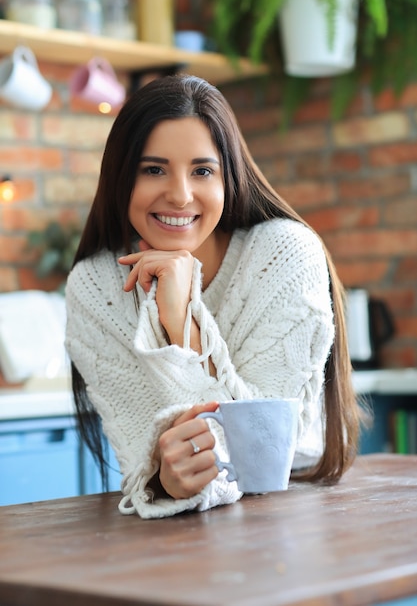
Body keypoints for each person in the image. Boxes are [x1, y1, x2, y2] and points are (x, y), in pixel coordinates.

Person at [65, 74, 363, 520]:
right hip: (181, 533)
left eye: (202, 171)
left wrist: (181, 318)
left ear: (229, 178)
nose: (180, 195)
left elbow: (263, 456)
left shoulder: (284, 253)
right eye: (153, 169)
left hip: (301, 508)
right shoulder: (96, 289)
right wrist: (166, 479)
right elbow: (146, 465)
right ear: (121, 178)